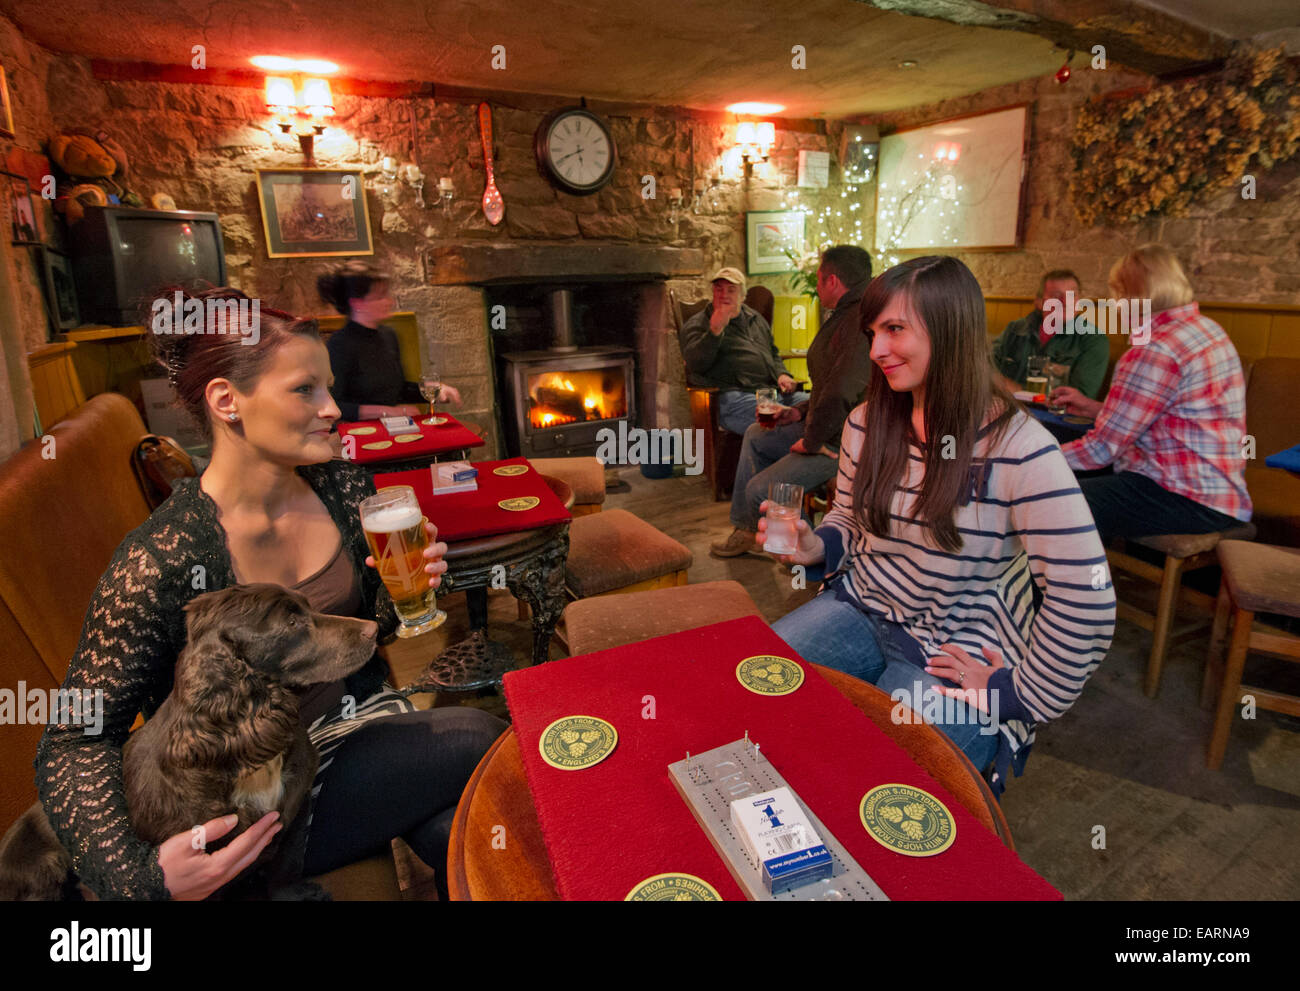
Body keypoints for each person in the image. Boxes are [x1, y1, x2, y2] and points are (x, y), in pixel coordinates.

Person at [34, 288, 505, 900]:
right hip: (250, 794)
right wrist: (140, 877)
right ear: (227, 401)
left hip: (348, 727)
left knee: (453, 826)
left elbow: (358, 633)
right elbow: (74, 736)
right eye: (305, 389)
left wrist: (399, 593)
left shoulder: (340, 484)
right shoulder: (163, 558)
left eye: (328, 387)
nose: (333, 408)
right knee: (474, 735)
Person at [764, 256, 1114, 795]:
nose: (877, 349)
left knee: (872, 784)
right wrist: (816, 547)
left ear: (951, 329)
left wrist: (1015, 693)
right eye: (873, 331)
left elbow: (1085, 598)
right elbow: (848, 518)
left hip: (957, 645)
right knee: (759, 698)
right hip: (860, 607)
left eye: (895, 329)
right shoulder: (866, 422)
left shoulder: (1019, 449)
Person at [1049, 244, 1251, 544]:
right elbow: (1167, 415)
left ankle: (1062, 589)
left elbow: (1101, 450)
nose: (1113, 305)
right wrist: (1093, 407)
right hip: (1221, 492)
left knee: (1048, 500)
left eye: (1115, 294)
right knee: (1065, 475)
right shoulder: (1208, 330)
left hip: (1182, 496)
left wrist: (1027, 459)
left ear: (1131, 296)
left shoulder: (1153, 350)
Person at [710, 245, 874, 558]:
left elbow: (840, 392)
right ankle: (748, 531)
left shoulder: (857, 322)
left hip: (843, 442)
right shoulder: (845, 314)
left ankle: (789, 549)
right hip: (825, 426)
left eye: (819, 277)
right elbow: (830, 388)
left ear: (833, 282)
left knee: (759, 489)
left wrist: (810, 441)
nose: (815, 283)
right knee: (757, 433)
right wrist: (797, 413)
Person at [317, 261, 461, 421]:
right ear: (357, 304)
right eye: (380, 296)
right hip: (358, 435)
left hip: (392, 427)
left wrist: (435, 390)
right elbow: (335, 405)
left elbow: (398, 390)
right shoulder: (340, 344)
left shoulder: (388, 335)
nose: (390, 301)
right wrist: (387, 411)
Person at [679, 266, 806, 436]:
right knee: (788, 426)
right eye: (719, 289)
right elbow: (694, 365)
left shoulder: (754, 318)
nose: (724, 295)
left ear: (743, 296)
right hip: (734, 398)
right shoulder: (699, 324)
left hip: (770, 394)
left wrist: (782, 374)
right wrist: (714, 332)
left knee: (817, 407)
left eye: (731, 290)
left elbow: (773, 353)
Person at [991, 269, 1109, 398]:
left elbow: (1079, 398)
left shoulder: (1093, 339)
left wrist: (1015, 389)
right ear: (1039, 302)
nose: (1065, 302)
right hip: (1003, 408)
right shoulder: (1015, 329)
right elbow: (983, 367)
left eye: (1072, 295)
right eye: (1056, 296)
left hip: (1052, 416)